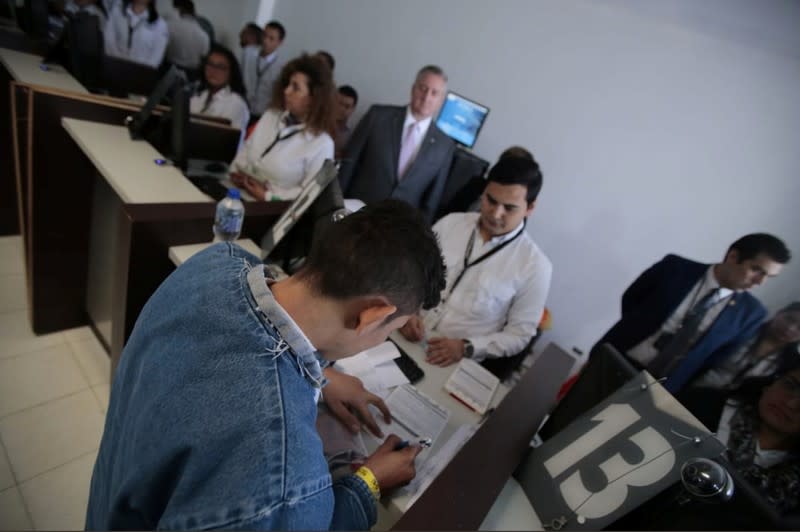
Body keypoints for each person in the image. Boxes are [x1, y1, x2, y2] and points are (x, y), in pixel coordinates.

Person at [85, 200, 447, 530]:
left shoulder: (216, 262)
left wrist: (321, 376)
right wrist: (368, 483)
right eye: (393, 329)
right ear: (373, 315)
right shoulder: (285, 479)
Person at [399, 154, 552, 371]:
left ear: (530, 208)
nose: (496, 213)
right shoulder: (451, 223)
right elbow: (411, 272)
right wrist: (409, 310)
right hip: (405, 330)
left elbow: (519, 334)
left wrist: (466, 347)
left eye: (509, 208)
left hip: (454, 362)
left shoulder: (535, 266)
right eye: (491, 200)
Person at [597, 233, 791, 393]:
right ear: (733, 256)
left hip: (658, 388)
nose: (760, 282)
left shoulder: (752, 313)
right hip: (615, 357)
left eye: (769, 277)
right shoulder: (676, 268)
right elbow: (632, 298)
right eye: (756, 270)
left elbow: (715, 358)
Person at [338, 65, 456, 222]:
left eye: (434, 93)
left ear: (441, 100)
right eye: (423, 88)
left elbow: (431, 201)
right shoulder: (377, 116)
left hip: (396, 229)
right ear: (413, 89)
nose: (426, 97)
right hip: (354, 214)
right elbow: (348, 163)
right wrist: (335, 206)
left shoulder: (445, 146)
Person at [678, 366, 800, 515]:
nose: (792, 404)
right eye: (790, 385)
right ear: (772, 382)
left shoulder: (792, 489)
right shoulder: (701, 404)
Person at [230, 53, 336, 202]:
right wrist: (236, 172)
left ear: (313, 99)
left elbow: (308, 194)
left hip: (270, 210)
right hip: (237, 193)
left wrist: (267, 196)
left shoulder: (322, 144)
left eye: (296, 88)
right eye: (288, 84)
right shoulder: (270, 116)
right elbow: (247, 148)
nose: (286, 91)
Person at [694, 302, 800, 390]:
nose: (790, 328)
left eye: (799, 328)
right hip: (698, 385)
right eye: (789, 319)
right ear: (779, 313)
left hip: (731, 408)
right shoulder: (745, 329)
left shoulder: (791, 362)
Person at [189, 44, 249, 133]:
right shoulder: (197, 96)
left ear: (231, 73)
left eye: (220, 67)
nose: (213, 70)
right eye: (210, 64)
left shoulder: (236, 103)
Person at [242, 20, 286, 119]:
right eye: (264, 36)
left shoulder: (281, 66)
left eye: (271, 38)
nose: (266, 41)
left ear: (280, 43)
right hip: (243, 107)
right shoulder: (248, 53)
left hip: (263, 113)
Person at [104, 0, 168, 68]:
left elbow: (155, 58)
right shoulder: (117, 12)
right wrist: (119, 64)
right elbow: (109, 41)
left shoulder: (160, 25)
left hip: (141, 73)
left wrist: (139, 71)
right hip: (114, 66)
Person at [165, 0, 209, 73]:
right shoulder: (203, 35)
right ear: (194, 13)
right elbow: (203, 58)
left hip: (169, 69)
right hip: (192, 73)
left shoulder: (169, 26)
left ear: (180, 10)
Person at [334, 84, 357, 158]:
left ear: (353, 110)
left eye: (347, 106)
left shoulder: (349, 138)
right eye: (339, 103)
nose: (341, 109)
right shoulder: (317, 127)